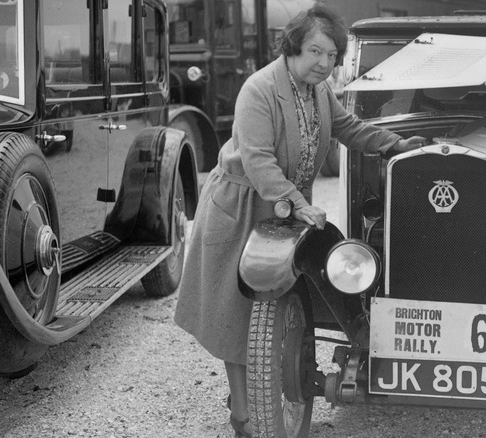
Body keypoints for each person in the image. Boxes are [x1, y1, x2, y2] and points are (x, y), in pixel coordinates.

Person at [173, 4, 426, 437]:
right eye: (315, 51)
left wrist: (396, 146)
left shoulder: (318, 91)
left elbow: (350, 129)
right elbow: (257, 158)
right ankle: (241, 413)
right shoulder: (258, 89)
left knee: (274, 307)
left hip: (283, 210)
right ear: (292, 48)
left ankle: (258, 398)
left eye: (332, 56)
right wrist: (297, 201)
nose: (324, 63)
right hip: (242, 205)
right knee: (237, 314)